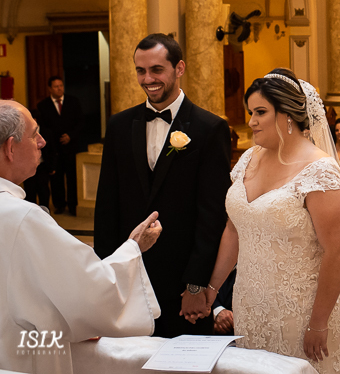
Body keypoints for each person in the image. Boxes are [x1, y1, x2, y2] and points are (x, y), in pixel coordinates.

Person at [206, 69, 340, 374]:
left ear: (287, 115)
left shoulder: (320, 170)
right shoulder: (248, 159)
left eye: (261, 112)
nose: (251, 122)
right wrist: (211, 288)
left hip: (303, 309)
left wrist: (318, 322)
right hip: (250, 302)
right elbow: (234, 229)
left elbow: (338, 250)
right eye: (250, 112)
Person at [0, 100, 163, 373]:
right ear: (10, 148)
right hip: (25, 353)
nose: (41, 142)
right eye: (34, 134)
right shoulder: (22, 217)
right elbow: (91, 289)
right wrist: (133, 247)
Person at [94, 33, 231, 338]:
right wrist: (108, 273)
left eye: (156, 70)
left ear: (179, 68)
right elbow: (107, 206)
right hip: (129, 281)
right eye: (140, 71)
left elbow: (212, 215)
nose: (147, 79)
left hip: (183, 289)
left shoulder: (210, 129)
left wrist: (196, 284)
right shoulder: (118, 126)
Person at [31, 75, 84, 215]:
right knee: (56, 178)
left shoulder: (73, 101)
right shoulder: (43, 105)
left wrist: (70, 136)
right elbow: (43, 127)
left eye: (61, 85)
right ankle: (59, 204)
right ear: (50, 88)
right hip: (53, 148)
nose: (59, 88)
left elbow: (80, 122)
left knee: (72, 177)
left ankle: (73, 205)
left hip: (71, 146)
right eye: (56, 86)